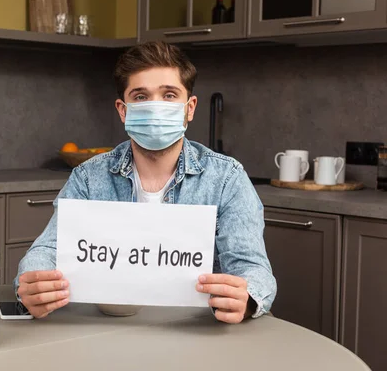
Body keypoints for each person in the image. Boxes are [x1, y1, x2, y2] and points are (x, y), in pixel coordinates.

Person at [14, 41, 276, 323]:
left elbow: (254, 270)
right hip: (106, 330)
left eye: (169, 95)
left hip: (195, 333)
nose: (155, 108)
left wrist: (246, 298)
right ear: (123, 109)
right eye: (140, 97)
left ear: (190, 108)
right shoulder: (88, 178)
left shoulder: (227, 179)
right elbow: (47, 251)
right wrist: (31, 285)